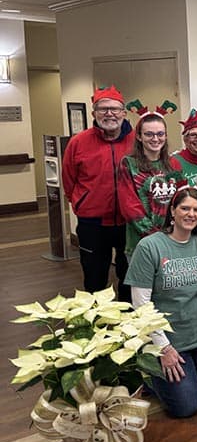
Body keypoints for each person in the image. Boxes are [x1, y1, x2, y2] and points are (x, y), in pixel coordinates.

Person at [125, 186, 197, 418]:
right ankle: (149, 372)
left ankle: (187, 374)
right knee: (185, 407)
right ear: (172, 210)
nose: (191, 214)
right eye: (184, 208)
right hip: (169, 340)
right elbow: (141, 306)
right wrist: (163, 348)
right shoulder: (149, 247)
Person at [62, 85, 135, 301]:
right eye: (103, 109)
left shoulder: (136, 142)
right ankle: (98, 321)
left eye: (114, 109)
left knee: (129, 274)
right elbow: (69, 180)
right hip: (92, 223)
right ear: (94, 114)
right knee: (94, 276)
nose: (109, 114)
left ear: (124, 112)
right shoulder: (78, 142)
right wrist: (81, 204)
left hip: (129, 222)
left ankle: (129, 321)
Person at [118, 104, 183, 257]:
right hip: (141, 242)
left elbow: (181, 199)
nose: (155, 139)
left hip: (173, 237)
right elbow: (130, 207)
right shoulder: (128, 164)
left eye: (160, 134)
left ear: (166, 136)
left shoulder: (174, 164)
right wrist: (156, 237)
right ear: (139, 136)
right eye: (149, 134)